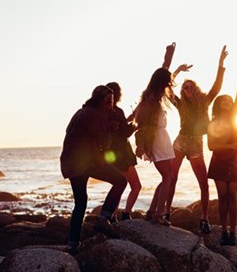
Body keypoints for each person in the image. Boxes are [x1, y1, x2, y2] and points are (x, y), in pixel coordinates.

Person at [165, 45, 229, 233]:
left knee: (203, 183)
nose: (187, 89)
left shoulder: (205, 101)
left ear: (195, 88)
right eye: (184, 87)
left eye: (190, 86)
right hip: (180, 141)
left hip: (196, 144)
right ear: (183, 91)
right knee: (172, 177)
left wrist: (221, 64)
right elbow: (168, 88)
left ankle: (204, 218)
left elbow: (217, 86)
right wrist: (176, 71)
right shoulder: (179, 104)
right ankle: (166, 212)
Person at [60, 85, 128, 254]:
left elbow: (73, 132)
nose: (110, 105)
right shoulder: (96, 114)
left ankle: (73, 244)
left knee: (81, 202)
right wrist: (109, 129)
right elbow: (105, 142)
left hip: (70, 162)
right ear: (99, 100)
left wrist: (106, 127)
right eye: (108, 101)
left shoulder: (81, 112)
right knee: (121, 181)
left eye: (111, 101)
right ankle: (104, 218)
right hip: (85, 162)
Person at [134, 42, 190, 226]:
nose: (170, 83)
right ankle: (158, 214)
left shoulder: (151, 92)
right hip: (157, 138)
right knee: (168, 177)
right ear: (162, 82)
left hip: (160, 138)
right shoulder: (153, 95)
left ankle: (152, 211)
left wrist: (171, 58)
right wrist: (169, 58)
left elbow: (165, 72)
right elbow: (165, 71)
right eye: (168, 81)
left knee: (167, 176)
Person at [207, 62, 237, 245]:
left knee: (233, 197)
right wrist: (231, 145)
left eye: (230, 102)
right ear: (219, 104)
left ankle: (233, 232)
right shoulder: (212, 122)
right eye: (225, 101)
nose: (229, 103)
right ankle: (223, 231)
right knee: (223, 197)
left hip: (233, 161)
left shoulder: (233, 118)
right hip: (219, 161)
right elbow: (211, 146)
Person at [105, 81, 141, 221]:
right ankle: (126, 214)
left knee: (119, 185)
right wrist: (135, 125)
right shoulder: (117, 111)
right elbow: (125, 133)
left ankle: (112, 216)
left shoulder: (104, 113)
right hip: (123, 154)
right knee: (136, 186)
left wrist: (130, 119)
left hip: (111, 155)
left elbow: (118, 129)